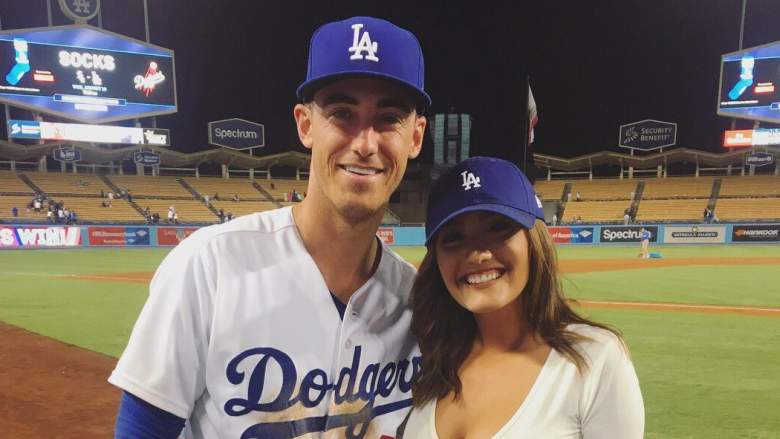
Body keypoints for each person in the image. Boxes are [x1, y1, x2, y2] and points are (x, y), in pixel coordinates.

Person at [110, 16, 430, 438]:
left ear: (416, 137)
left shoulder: (417, 304)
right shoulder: (210, 265)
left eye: (388, 118)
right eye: (342, 113)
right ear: (305, 125)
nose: (365, 143)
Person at [401, 157, 644, 438]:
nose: (478, 253)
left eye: (498, 228)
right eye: (453, 238)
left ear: (533, 241)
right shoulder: (429, 360)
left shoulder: (595, 359)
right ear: (437, 259)